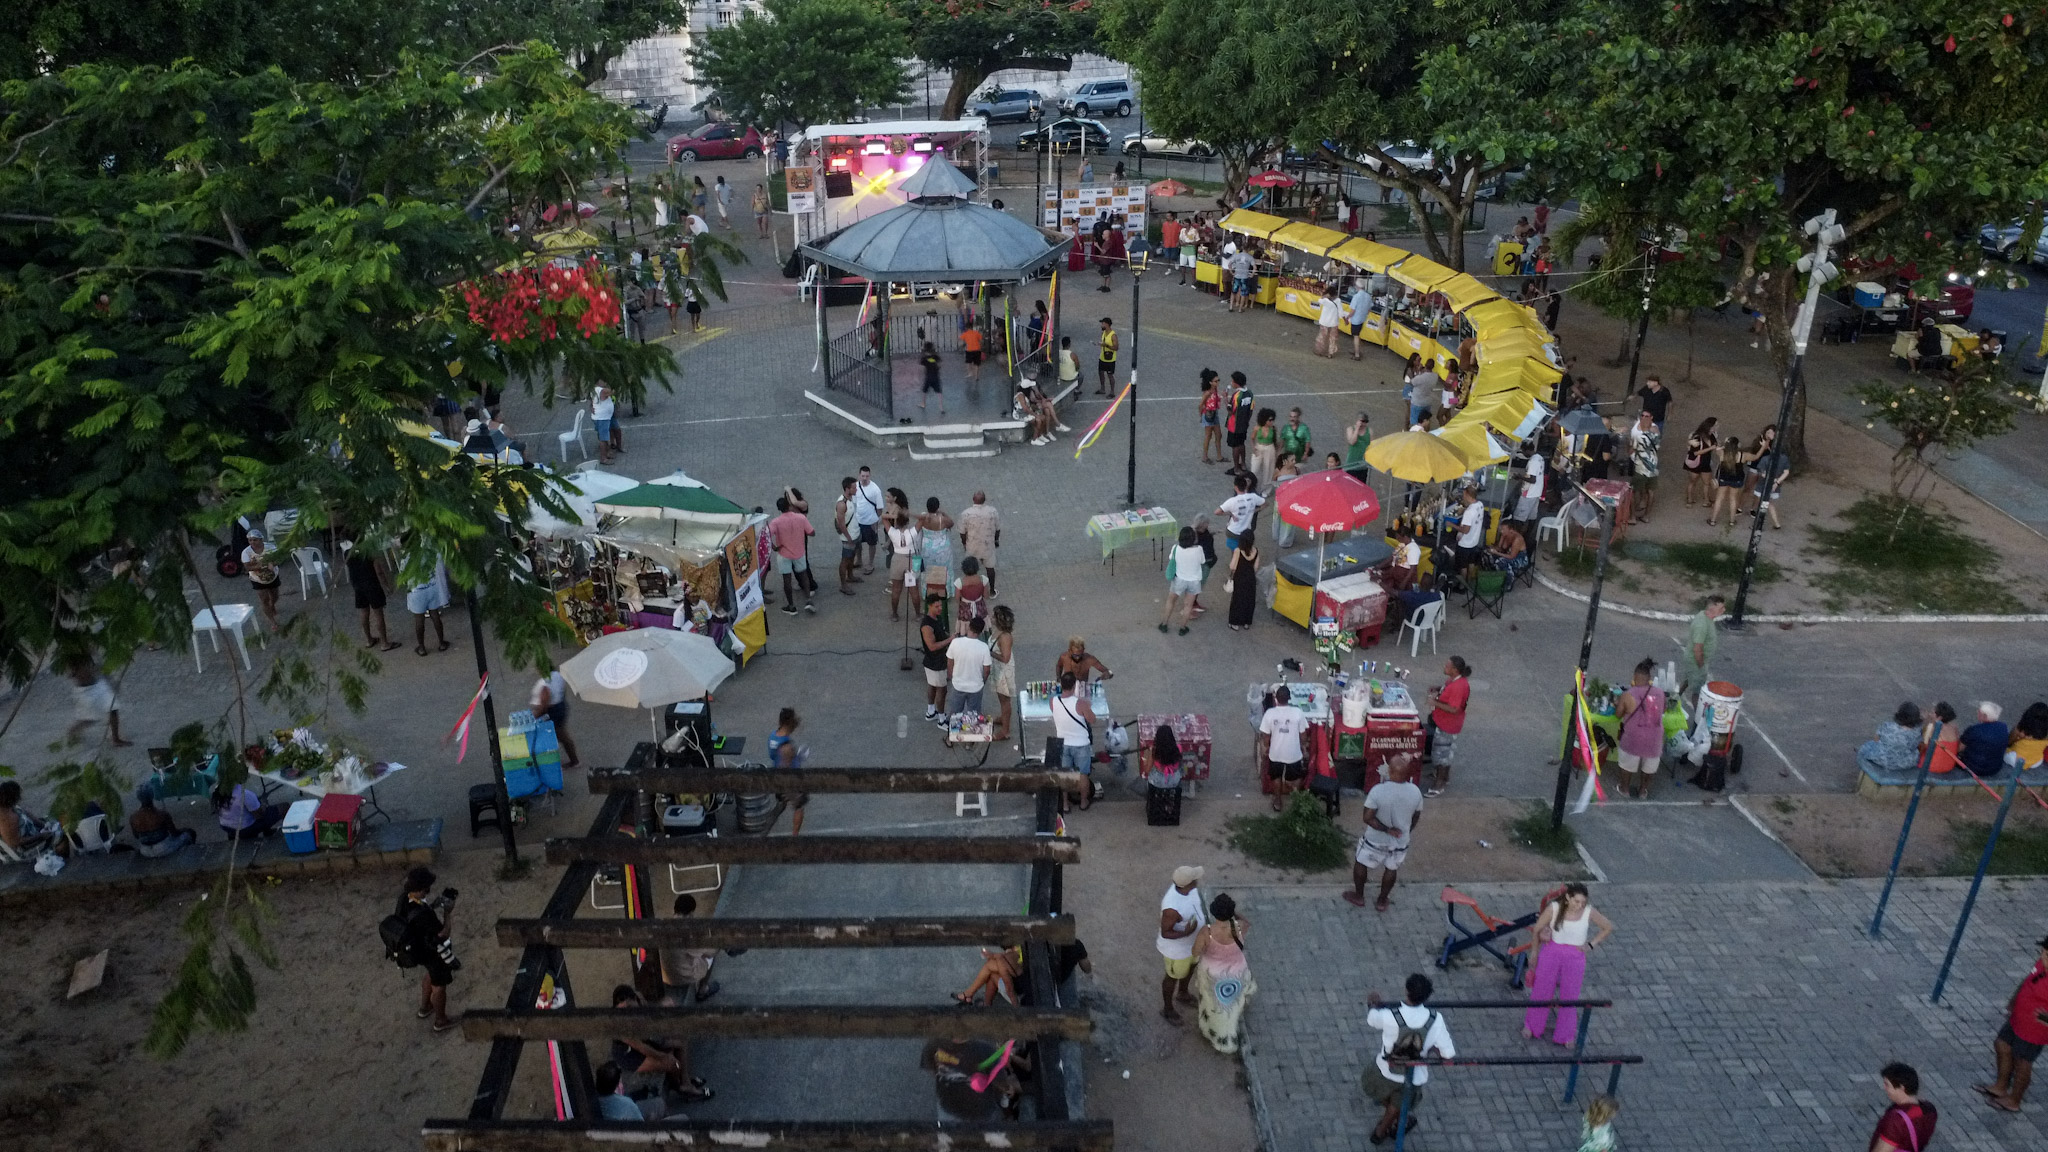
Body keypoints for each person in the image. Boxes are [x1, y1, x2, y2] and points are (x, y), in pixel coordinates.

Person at [1363, 974, 1455, 1146]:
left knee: (1388, 1098)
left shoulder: (1390, 1015)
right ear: (1427, 996)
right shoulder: (1436, 1020)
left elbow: (1372, 1020)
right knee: (1400, 1103)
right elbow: (1448, 1054)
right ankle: (1388, 1126)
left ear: (1407, 991)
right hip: (1413, 1076)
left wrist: (1373, 1004)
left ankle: (1385, 1128)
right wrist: (1432, 1048)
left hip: (1385, 1071)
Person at [1523, 883, 1614, 1045]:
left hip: (1575, 957)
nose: (1580, 905)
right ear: (1568, 898)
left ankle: (1565, 1034)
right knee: (1542, 990)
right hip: (1551, 953)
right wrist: (1535, 952)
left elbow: (1607, 927)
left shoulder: (1589, 912)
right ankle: (1532, 1025)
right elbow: (1537, 930)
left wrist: (1591, 945)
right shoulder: (1554, 908)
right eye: (1576, 901)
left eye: (1583, 902)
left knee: (1570, 995)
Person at [1975, 934, 2048, 1113]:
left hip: (2035, 1030)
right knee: (2002, 1044)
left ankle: (2014, 1100)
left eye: (2046, 954)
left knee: (2023, 1061)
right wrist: (2014, 1001)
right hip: (2019, 1018)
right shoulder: (2042, 963)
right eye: (2043, 951)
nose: (2042, 956)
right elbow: (2028, 979)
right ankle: (2001, 1086)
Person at [1346, 754, 1424, 911]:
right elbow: (1416, 816)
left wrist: (1387, 830)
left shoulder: (1378, 791)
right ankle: (1382, 901)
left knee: (1361, 863)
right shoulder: (1415, 791)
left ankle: (1359, 896)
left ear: (1390, 771)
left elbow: (1367, 818)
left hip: (1375, 840)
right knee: (1391, 868)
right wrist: (1406, 831)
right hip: (1401, 840)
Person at [611, 983, 711, 1105]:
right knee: (674, 1064)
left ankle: (685, 1081)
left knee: (680, 1041)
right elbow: (642, 1048)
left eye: (629, 1008)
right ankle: (680, 1086)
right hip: (630, 1055)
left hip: (643, 1040)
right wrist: (663, 1056)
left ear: (635, 999)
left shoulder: (639, 998)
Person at [395, 867, 459, 1032]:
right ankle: (440, 1020)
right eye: (426, 889)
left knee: (429, 974)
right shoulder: (424, 915)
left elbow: (416, 917)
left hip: (419, 950)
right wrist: (447, 913)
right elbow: (443, 934)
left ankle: (425, 1007)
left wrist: (434, 905)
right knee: (439, 986)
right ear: (419, 888)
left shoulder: (404, 899)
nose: (428, 891)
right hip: (432, 952)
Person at [1193, 892, 1256, 1053]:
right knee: (1231, 1002)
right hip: (1237, 971)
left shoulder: (1207, 932)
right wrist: (1234, 914)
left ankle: (1214, 1030)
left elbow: (1195, 952)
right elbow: (1247, 923)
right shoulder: (1240, 927)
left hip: (1213, 975)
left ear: (1214, 912)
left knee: (1213, 1004)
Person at [921, 1034, 1020, 1124]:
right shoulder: (984, 1049)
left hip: (949, 1108)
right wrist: (1009, 1089)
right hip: (981, 1111)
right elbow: (999, 1081)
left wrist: (945, 1072)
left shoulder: (934, 1044)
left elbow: (929, 1067)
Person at [1157, 865, 1207, 1024]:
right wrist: (1186, 932)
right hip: (1177, 951)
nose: (1197, 880)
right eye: (1195, 879)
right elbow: (1166, 932)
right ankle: (1167, 1009)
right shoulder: (1171, 908)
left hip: (1192, 945)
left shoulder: (1188, 890)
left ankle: (1183, 993)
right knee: (1172, 977)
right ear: (1188, 884)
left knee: (1190, 968)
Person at [1613, 658, 1667, 798]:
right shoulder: (1660, 693)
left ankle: (1624, 789)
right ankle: (1643, 791)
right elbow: (1663, 710)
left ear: (1634, 677)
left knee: (1627, 765)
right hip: (1654, 739)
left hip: (1633, 738)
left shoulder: (1628, 695)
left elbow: (1618, 715)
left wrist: (1617, 704)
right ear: (1649, 678)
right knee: (1649, 767)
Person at [659, 893, 722, 1005]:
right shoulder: (687, 933)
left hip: (665, 974)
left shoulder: (665, 924)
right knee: (710, 958)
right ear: (691, 913)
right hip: (681, 978)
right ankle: (702, 990)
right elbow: (711, 952)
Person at [1424, 657, 1471, 797]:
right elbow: (1448, 691)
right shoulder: (1454, 681)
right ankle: (1444, 777)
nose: (1444, 667)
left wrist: (1435, 703)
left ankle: (1439, 784)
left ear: (1455, 670)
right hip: (1444, 723)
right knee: (1445, 752)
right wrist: (1439, 689)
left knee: (1441, 756)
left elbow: (1454, 709)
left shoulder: (1458, 687)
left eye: (1447, 666)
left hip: (1448, 725)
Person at [342, 540, 400, 651]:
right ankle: (384, 643)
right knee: (378, 614)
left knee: (364, 612)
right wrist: (386, 586)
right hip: (372, 585)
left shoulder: (347, 553)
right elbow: (379, 572)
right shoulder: (369, 552)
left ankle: (369, 639)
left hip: (358, 587)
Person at [1259, 685, 1308, 811]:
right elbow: (1303, 735)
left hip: (1276, 753)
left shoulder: (1270, 714)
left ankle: (1277, 801)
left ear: (1276, 698)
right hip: (1293, 753)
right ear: (1289, 698)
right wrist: (1304, 747)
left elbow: (1266, 736)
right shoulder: (1298, 713)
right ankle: (1297, 799)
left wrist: (1266, 747)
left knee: (1276, 777)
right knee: (1296, 778)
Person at [1052, 670, 1096, 809]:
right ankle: (1083, 802)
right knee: (1083, 774)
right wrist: (1088, 707)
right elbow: (1092, 720)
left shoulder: (1053, 701)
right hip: (1081, 744)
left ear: (1061, 685)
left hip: (1063, 743)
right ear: (1074, 686)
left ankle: (1065, 804)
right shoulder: (1081, 703)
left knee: (1065, 775)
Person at [65, 658, 131, 747]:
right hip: (84, 691)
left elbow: (98, 666)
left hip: (98, 685)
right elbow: (71, 674)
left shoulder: (89, 654)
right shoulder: (71, 656)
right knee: (89, 718)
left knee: (113, 709)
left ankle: (115, 738)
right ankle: (72, 732)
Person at [1870, 1063, 1937, 1150]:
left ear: (1902, 1088)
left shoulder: (1896, 1120)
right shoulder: (1929, 1109)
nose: (1884, 1088)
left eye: (1887, 1085)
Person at [768, 496, 816, 616]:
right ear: (789, 506)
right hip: (799, 551)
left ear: (779, 509)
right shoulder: (801, 518)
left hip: (784, 553)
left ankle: (791, 606)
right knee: (804, 576)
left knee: (787, 580)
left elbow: (766, 536)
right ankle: (808, 600)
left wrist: (774, 547)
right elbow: (812, 532)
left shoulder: (776, 522)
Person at [529, 665, 582, 770]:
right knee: (561, 734)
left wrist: (533, 717)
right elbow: (562, 691)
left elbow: (544, 705)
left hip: (552, 712)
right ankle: (573, 760)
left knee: (559, 736)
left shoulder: (545, 683)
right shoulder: (558, 675)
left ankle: (573, 761)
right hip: (561, 706)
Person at [766, 708, 809, 835]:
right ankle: (794, 838)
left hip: (776, 778)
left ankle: (765, 831)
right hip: (789, 781)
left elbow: (775, 757)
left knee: (781, 805)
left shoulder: (773, 736)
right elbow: (785, 766)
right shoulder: (787, 747)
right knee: (799, 807)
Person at [945, 616, 994, 722]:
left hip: (958, 685)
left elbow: (949, 662)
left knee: (955, 716)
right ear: (981, 632)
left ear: (969, 627)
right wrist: (982, 682)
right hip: (976, 687)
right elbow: (987, 670)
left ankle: (953, 731)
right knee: (973, 718)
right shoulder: (984, 647)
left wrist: (952, 676)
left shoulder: (955, 643)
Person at [1859, 702, 1927, 777]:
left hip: (1882, 759)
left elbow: (1876, 740)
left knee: (1869, 745)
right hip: (1904, 763)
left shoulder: (1887, 726)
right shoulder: (1917, 733)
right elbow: (1917, 745)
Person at [1160, 525, 1205, 636]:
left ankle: (1164, 624)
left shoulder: (1176, 548)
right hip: (1194, 581)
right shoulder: (1199, 549)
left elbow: (1171, 558)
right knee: (1188, 606)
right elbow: (1202, 561)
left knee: (1171, 601)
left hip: (1179, 580)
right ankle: (1182, 628)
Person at [0, 780, 65, 857]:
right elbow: (14, 842)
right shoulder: (7, 820)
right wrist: (40, 836)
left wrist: (44, 825)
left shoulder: (8, 807)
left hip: (32, 830)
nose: (20, 797)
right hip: (27, 845)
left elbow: (26, 813)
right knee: (61, 833)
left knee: (56, 820)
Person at [127, 790, 195, 857]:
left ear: (139, 798)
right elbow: (174, 833)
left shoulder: (133, 817)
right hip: (163, 849)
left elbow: (136, 836)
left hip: (145, 851)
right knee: (189, 834)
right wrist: (184, 830)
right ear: (152, 796)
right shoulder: (162, 814)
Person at [957, 492, 1000, 596]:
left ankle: (970, 590)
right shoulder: (993, 512)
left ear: (973, 499)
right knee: (990, 568)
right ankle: (992, 591)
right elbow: (998, 529)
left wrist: (964, 543)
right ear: (984, 500)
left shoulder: (966, 514)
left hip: (972, 546)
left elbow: (962, 532)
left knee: (971, 568)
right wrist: (996, 540)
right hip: (988, 545)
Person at [241, 528, 284, 632]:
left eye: (255, 540)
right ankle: (272, 621)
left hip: (272, 577)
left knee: (275, 596)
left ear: (261, 540)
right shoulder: (246, 552)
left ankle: (272, 605)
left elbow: (279, 559)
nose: (252, 542)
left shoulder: (271, 547)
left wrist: (273, 563)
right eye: (250, 540)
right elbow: (247, 567)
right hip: (257, 579)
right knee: (264, 600)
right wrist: (260, 566)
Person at [1684, 596, 1724, 702]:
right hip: (1696, 662)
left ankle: (1675, 698)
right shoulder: (1702, 625)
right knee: (1697, 692)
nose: (1723, 610)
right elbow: (1697, 649)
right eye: (1721, 608)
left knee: (1688, 678)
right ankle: (1697, 712)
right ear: (1712, 608)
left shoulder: (1705, 617)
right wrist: (1701, 666)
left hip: (1695, 660)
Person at [1216, 471, 1266, 555]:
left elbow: (1263, 504)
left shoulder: (1254, 495)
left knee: (1244, 545)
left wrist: (1254, 511)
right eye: (1245, 480)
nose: (1246, 483)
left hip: (1249, 523)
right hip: (1238, 523)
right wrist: (1231, 516)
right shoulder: (1243, 494)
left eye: (1248, 481)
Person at [919, 593, 952, 724]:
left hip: (935, 660)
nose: (940, 608)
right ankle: (942, 719)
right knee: (942, 690)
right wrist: (950, 640)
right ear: (929, 606)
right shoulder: (927, 626)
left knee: (932, 685)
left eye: (940, 606)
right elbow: (932, 646)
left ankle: (931, 711)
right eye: (937, 606)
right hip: (935, 662)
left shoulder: (937, 618)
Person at [217, 778, 286, 838]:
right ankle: (287, 832)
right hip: (244, 830)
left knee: (256, 806)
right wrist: (264, 805)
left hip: (226, 827)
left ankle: (268, 832)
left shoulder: (218, 790)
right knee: (284, 806)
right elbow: (259, 816)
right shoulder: (244, 794)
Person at [952, 946, 1020, 1006]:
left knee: (990, 968)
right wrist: (995, 956)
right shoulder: (1017, 954)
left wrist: (1018, 1009)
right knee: (992, 969)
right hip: (1018, 985)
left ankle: (968, 995)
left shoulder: (1012, 959)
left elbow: (1009, 989)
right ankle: (983, 1003)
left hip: (1019, 998)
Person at [989, 605, 1018, 743]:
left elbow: (1005, 658)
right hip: (998, 670)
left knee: (1005, 701)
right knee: (1002, 699)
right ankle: (1003, 718)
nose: (991, 618)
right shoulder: (999, 632)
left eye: (994, 616)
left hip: (1003, 672)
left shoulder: (1005, 637)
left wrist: (990, 653)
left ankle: (1005, 731)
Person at [1958, 702, 2010, 777]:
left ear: (1984, 716)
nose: (1977, 713)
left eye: (1979, 712)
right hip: (1994, 768)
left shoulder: (1974, 729)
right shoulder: (2003, 727)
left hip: (1973, 768)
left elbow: (1959, 748)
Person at [1628, 409, 1660, 523]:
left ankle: (1632, 517)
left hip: (1640, 467)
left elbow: (1632, 449)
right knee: (1651, 491)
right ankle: (1646, 516)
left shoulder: (1639, 437)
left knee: (1633, 491)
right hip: (1653, 466)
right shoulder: (1656, 435)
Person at [833, 476, 863, 597]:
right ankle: (843, 585)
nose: (856, 489)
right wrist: (849, 538)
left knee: (852, 557)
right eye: (854, 487)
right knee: (845, 560)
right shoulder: (841, 504)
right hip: (848, 538)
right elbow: (841, 524)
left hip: (855, 533)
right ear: (847, 489)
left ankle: (850, 576)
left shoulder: (851, 498)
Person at [886, 512, 919, 621]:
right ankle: (917, 614)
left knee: (896, 589)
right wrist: (910, 514)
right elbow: (923, 518)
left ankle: (895, 614)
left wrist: (895, 516)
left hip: (897, 560)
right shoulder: (912, 532)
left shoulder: (892, 532)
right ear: (907, 522)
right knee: (913, 589)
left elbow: (883, 518)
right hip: (910, 560)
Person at [852, 466, 885, 574]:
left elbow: (880, 508)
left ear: (870, 476)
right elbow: (854, 502)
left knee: (872, 543)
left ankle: (870, 563)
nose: (865, 478)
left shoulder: (875, 490)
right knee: (857, 542)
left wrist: (875, 520)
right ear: (859, 475)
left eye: (867, 476)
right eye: (863, 476)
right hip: (858, 520)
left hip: (870, 522)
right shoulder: (855, 486)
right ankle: (859, 560)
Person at [1707, 436, 1746, 527]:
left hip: (1723, 478)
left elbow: (1717, 448)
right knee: (1733, 499)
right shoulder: (1742, 455)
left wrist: (1725, 445)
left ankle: (1713, 520)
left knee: (1719, 499)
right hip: (1736, 480)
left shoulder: (1722, 453)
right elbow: (1756, 456)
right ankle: (1732, 521)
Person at [1226, 533, 1261, 631]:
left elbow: (1232, 566)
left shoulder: (1238, 551)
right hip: (1250, 578)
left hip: (1240, 578)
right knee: (1249, 599)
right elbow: (1256, 567)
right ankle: (1246, 622)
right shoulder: (1256, 550)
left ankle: (1234, 622)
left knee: (1237, 600)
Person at [1682, 417, 1719, 507]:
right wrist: (1710, 448)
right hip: (1698, 462)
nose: (1717, 427)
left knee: (1704, 483)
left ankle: (1704, 500)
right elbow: (1696, 452)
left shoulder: (1713, 435)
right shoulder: (1697, 437)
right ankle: (1691, 499)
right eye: (1716, 425)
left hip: (1704, 462)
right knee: (1694, 482)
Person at [1453, 486, 1487, 584]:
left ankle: (1463, 585)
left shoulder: (1469, 512)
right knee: (1471, 562)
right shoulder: (1480, 505)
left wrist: (1452, 525)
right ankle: (1470, 581)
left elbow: (1465, 530)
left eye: (1464, 494)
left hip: (1465, 543)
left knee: (1463, 566)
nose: (1463, 496)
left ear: (1468, 495)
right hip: (1474, 541)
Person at [1225, 372, 1255, 474]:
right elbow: (1251, 410)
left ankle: (1236, 468)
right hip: (1244, 424)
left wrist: (1225, 398)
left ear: (1236, 383)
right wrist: (1246, 421)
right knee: (1241, 443)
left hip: (1234, 425)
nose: (1231, 383)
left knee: (1235, 446)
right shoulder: (1250, 393)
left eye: (1232, 381)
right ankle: (1243, 464)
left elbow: (1230, 411)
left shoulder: (1236, 395)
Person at [952, 555, 989, 636]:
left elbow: (957, 598)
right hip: (979, 607)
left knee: (965, 626)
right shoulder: (983, 579)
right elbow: (986, 595)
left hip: (965, 609)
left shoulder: (959, 582)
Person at [2009, 702, 2048, 770]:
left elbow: (2009, 742)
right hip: (2036, 761)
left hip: (2016, 760)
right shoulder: (2045, 734)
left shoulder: (2020, 730)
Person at [1512, 451, 1545, 527]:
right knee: (1532, 516)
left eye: (1523, 451)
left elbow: (1532, 480)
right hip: (1536, 492)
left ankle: (1517, 532)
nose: (1523, 454)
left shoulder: (1533, 462)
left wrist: (1520, 477)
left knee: (1518, 517)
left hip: (1529, 493)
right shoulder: (1539, 457)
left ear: (1527, 450)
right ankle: (1528, 533)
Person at [1198, 369, 1223, 463]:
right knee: (1208, 435)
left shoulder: (1214, 389)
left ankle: (1219, 456)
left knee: (1218, 435)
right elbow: (1201, 405)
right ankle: (1205, 456)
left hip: (1214, 413)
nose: (1218, 382)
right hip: (1208, 414)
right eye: (1216, 381)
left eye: (1218, 380)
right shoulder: (1208, 393)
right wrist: (1201, 416)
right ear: (1210, 382)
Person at [1249, 408, 1279, 487]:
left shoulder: (1273, 429)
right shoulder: (1257, 428)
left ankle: (1266, 489)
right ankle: (1251, 486)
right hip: (1259, 447)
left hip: (1269, 448)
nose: (1272, 422)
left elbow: (1275, 441)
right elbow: (1252, 438)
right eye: (1270, 420)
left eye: (1273, 420)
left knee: (1268, 470)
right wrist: (1253, 448)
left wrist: (1277, 453)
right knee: (1254, 469)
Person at [590, 383, 617, 464]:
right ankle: (603, 458)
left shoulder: (594, 389)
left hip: (599, 417)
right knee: (603, 439)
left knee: (603, 437)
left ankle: (607, 453)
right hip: (602, 418)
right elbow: (613, 392)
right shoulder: (603, 391)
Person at [1314, 288, 1343, 356]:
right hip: (1334, 323)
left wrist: (1325, 296)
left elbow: (1319, 300)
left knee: (1322, 337)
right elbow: (1341, 312)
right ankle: (1330, 353)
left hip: (1324, 322)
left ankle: (1320, 351)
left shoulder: (1325, 300)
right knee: (1333, 338)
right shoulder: (1338, 300)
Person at [919, 340, 945, 414]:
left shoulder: (924, 358)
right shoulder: (935, 356)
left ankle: (923, 403)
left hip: (928, 377)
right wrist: (937, 368)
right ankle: (941, 407)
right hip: (935, 376)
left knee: (924, 390)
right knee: (939, 391)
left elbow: (921, 368)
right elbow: (940, 364)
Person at [1096, 317, 1119, 394]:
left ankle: (1112, 392)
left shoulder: (1113, 335)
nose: (1101, 325)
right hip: (1102, 357)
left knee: (1110, 375)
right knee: (1101, 373)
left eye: (1102, 323)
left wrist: (1106, 345)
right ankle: (1102, 389)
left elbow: (1116, 348)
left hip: (1110, 359)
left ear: (1107, 324)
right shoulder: (1103, 333)